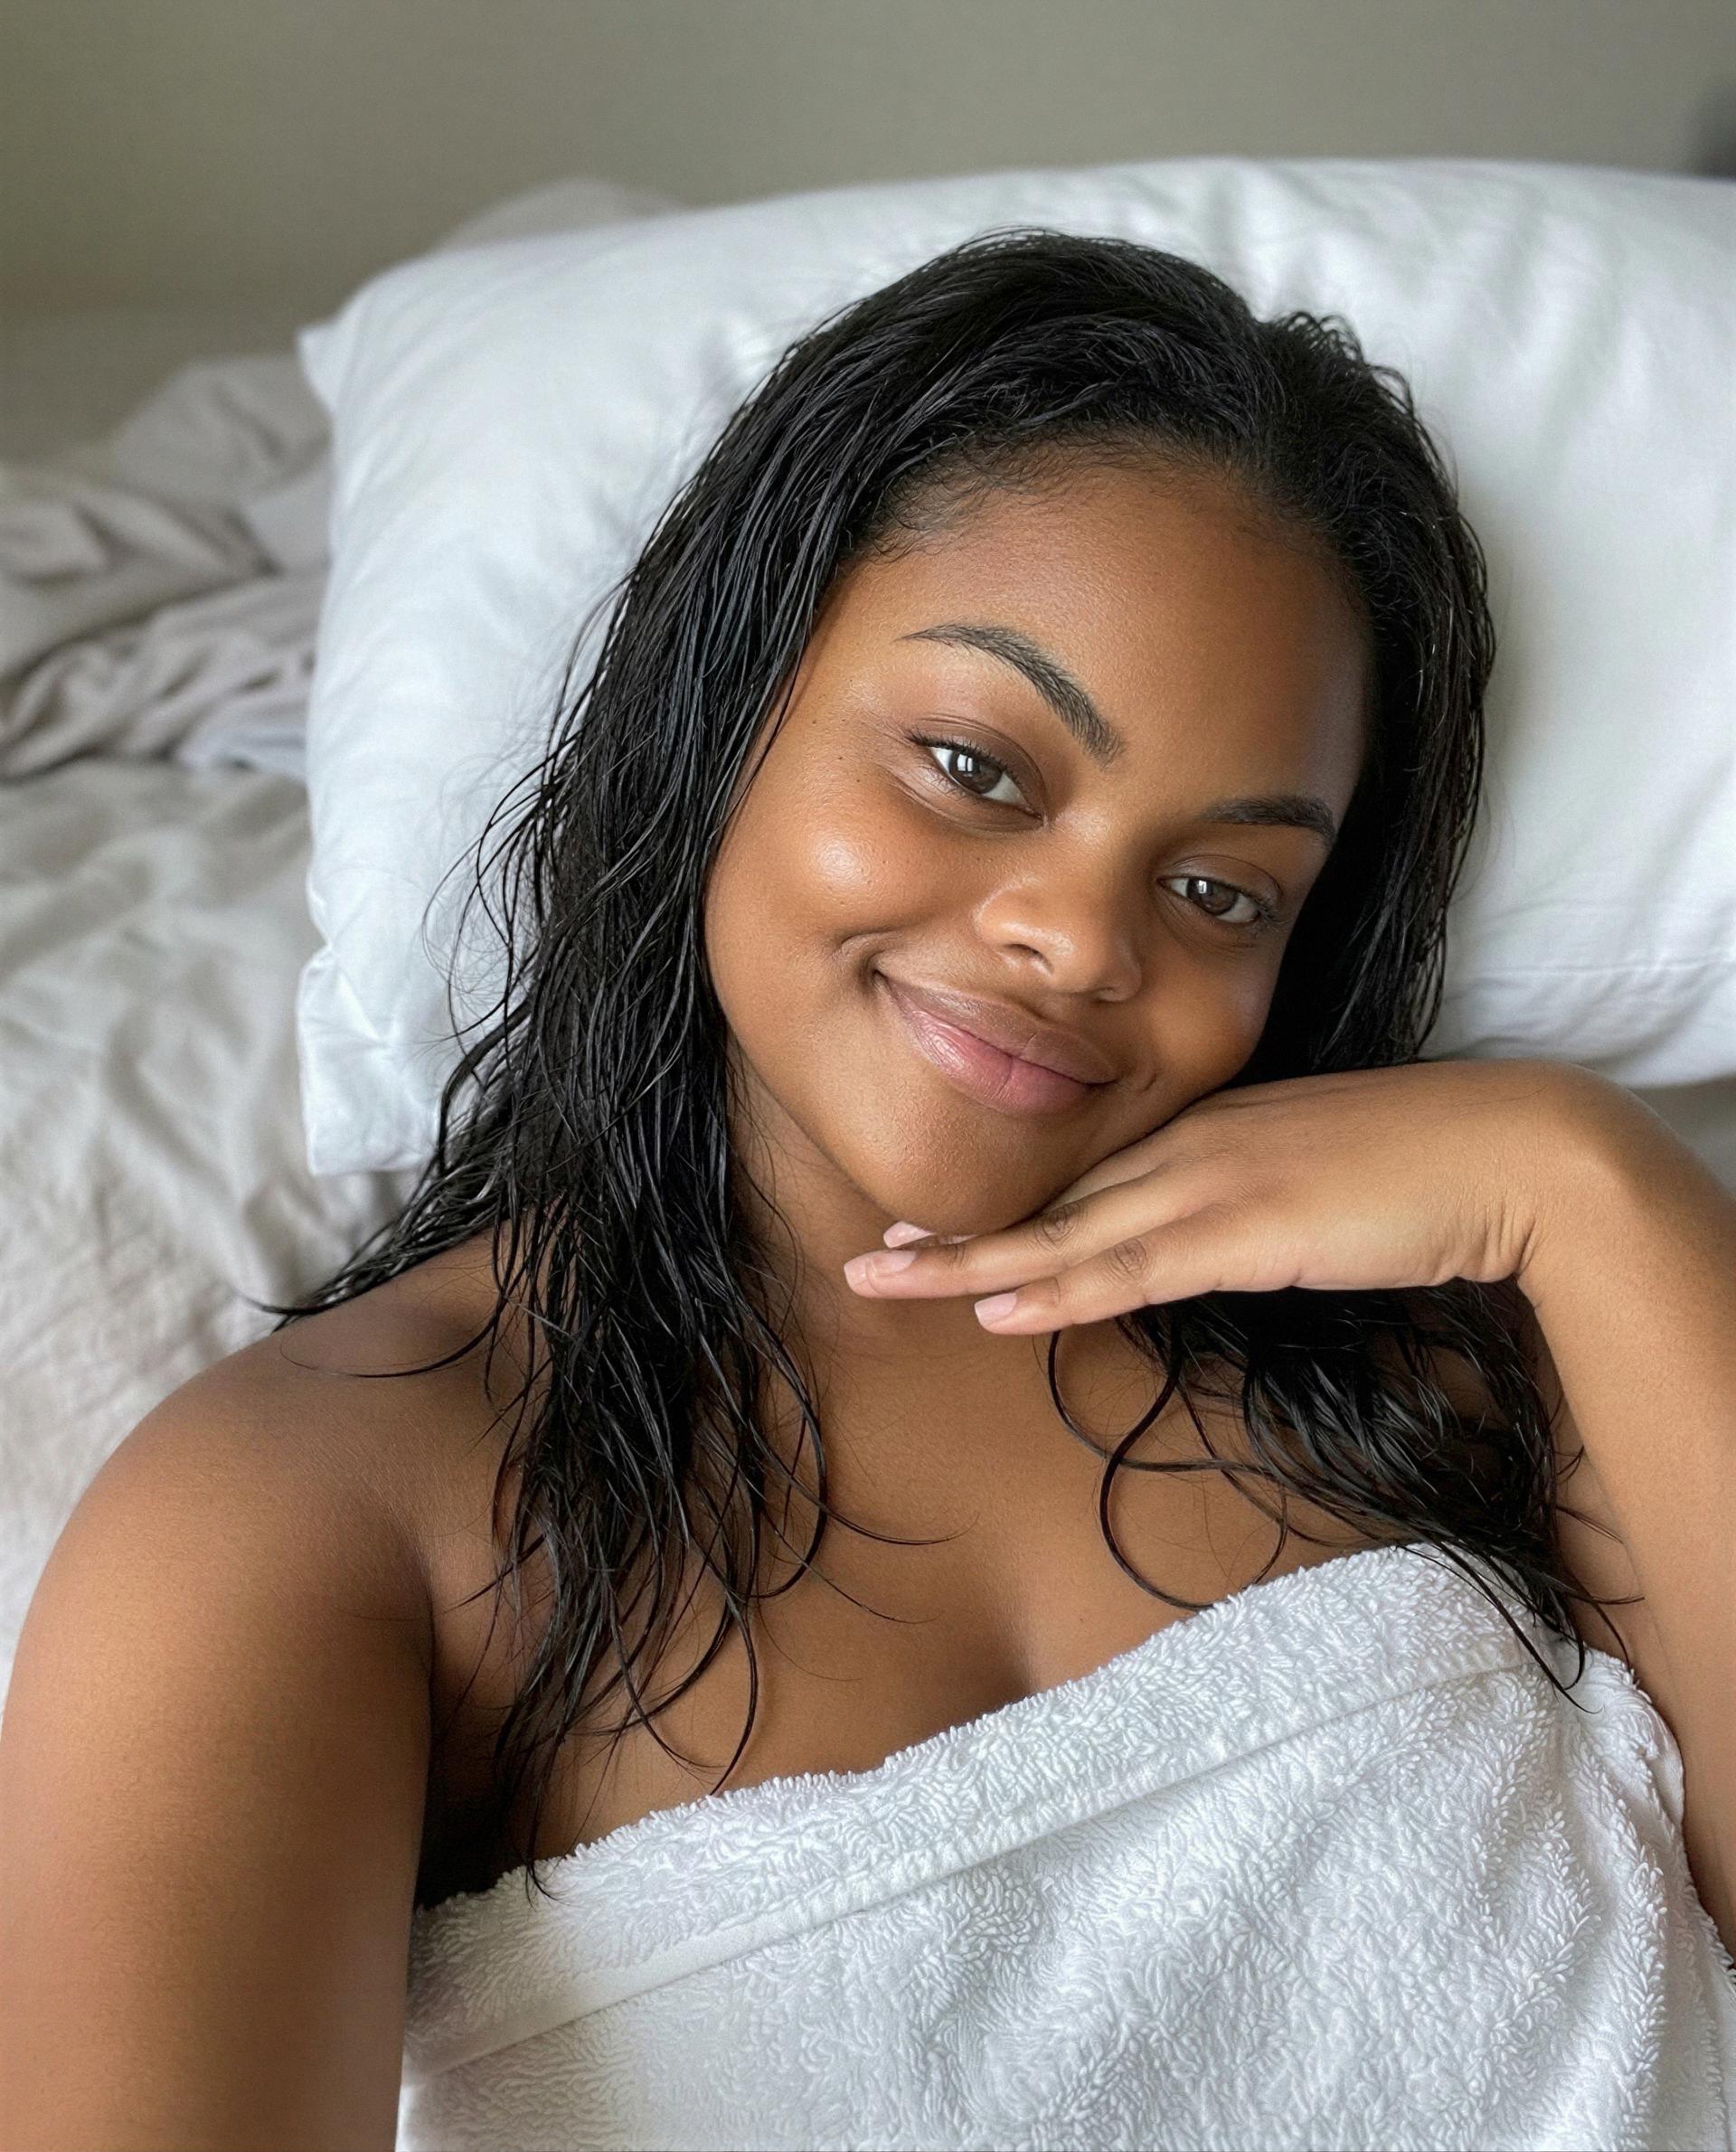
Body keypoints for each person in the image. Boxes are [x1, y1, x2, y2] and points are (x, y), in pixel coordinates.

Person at [0, 230, 1680, 2150]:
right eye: (975, 765)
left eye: (1222, 889)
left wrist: (1592, 1179)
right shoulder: (320, 1505)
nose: (1079, 938)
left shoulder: (1487, 1335)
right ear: (725, 707)